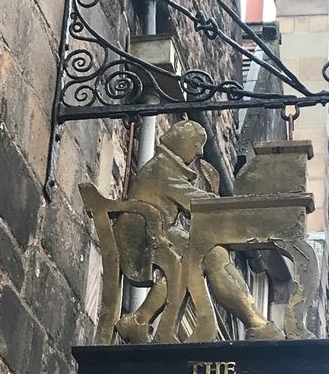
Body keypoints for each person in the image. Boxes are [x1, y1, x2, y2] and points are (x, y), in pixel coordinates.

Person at [114, 120, 285, 342]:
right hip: (143, 235)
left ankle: (138, 320)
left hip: (158, 232)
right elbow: (193, 200)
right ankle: (254, 322)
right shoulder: (161, 169)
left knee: (207, 256)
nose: (201, 152)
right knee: (213, 256)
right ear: (183, 142)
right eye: (197, 145)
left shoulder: (166, 167)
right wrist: (216, 198)